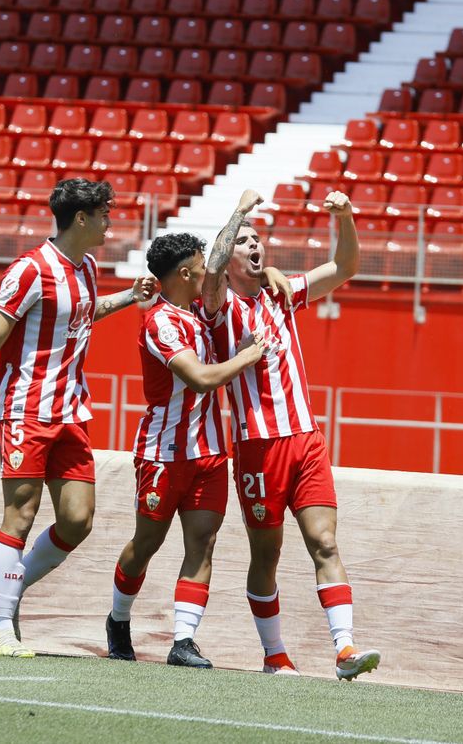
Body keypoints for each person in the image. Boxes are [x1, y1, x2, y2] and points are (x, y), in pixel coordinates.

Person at [0, 178, 157, 658]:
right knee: (21, 515)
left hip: (72, 411)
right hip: (25, 409)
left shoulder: (89, 267)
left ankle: (7, 588)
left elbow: (81, 312)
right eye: (103, 213)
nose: (109, 221)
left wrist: (127, 297)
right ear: (81, 218)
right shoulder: (30, 270)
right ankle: (1, 626)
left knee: (78, 520)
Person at [203, 189, 381, 680]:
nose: (255, 246)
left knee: (324, 542)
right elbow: (214, 270)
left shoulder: (283, 293)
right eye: (243, 241)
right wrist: (238, 212)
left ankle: (344, 649)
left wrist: (346, 217)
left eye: (257, 238)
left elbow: (343, 267)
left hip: (305, 439)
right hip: (257, 448)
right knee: (268, 553)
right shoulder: (218, 308)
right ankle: (274, 653)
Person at [104, 227, 270, 669]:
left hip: (210, 453)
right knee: (147, 543)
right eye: (199, 268)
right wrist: (245, 359)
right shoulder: (158, 321)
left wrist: (241, 224)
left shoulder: (200, 309)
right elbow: (199, 377)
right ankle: (118, 619)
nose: (208, 273)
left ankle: (183, 640)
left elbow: (220, 263)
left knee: (203, 542)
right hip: (162, 452)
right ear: (182, 273)